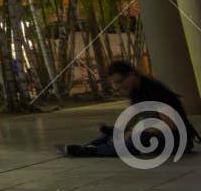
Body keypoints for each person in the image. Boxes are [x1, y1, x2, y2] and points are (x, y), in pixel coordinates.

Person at [63, 60, 197, 158]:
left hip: (177, 141)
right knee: (114, 132)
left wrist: (134, 132)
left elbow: (169, 124)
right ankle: (87, 147)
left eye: (120, 81)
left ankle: (94, 151)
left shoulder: (153, 91)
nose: (117, 87)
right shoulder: (136, 91)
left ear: (133, 74)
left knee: (137, 139)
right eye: (115, 84)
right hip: (157, 135)